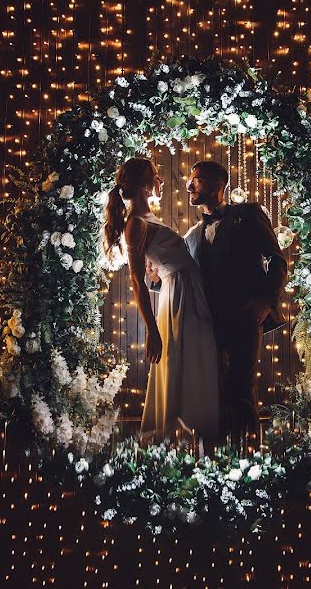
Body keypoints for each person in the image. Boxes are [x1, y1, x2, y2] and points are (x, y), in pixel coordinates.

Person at [165, 160, 288, 444]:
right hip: (206, 323)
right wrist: (156, 280)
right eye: (190, 180)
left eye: (197, 180)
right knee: (212, 391)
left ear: (219, 185)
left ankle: (249, 461)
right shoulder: (193, 235)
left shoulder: (248, 213)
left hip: (244, 317)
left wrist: (266, 300)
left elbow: (277, 260)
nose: (189, 185)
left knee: (241, 388)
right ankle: (216, 463)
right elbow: (182, 278)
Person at [103, 157, 221, 446]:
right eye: (157, 176)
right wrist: (152, 332)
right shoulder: (135, 224)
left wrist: (158, 270)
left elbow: (156, 267)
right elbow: (135, 281)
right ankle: (182, 434)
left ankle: (199, 435)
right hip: (180, 298)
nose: (162, 182)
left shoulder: (146, 219)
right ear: (146, 185)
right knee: (187, 362)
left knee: (197, 361)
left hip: (186, 290)